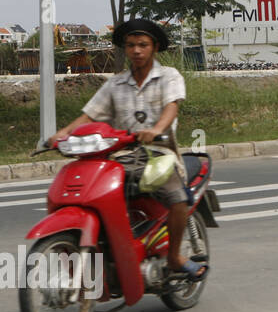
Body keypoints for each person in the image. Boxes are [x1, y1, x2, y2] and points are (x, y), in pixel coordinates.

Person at [46, 18, 207, 282]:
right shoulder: (115, 84)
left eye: (142, 45)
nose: (136, 50)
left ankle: (175, 256)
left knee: (178, 199)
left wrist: (156, 130)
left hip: (158, 155)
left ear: (154, 47)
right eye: (131, 45)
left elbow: (171, 107)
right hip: (120, 157)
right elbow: (90, 116)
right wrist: (63, 133)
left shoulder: (169, 76)